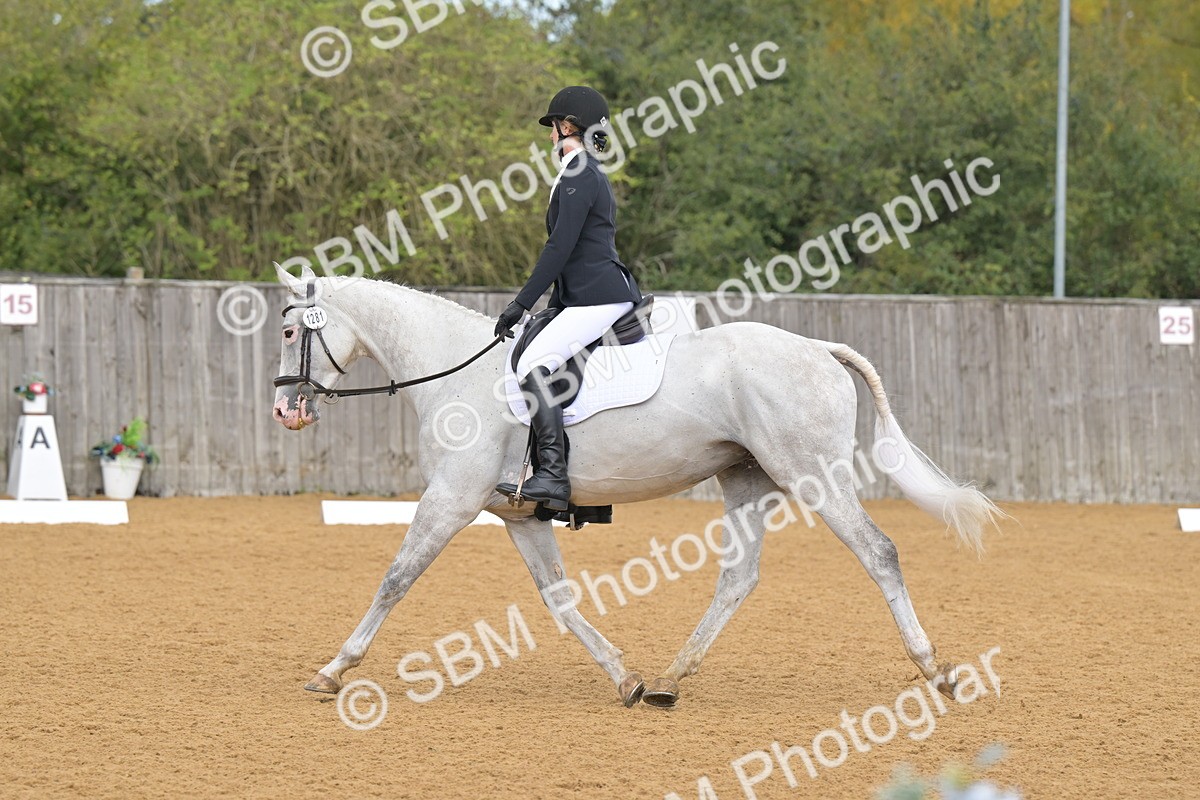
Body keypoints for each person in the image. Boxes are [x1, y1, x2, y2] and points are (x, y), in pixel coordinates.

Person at [493, 86, 642, 511]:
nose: (549, 135)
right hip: (586, 296)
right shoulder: (581, 172)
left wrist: (522, 303)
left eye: (553, 127)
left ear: (568, 127)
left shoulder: (580, 174)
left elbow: (560, 247)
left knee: (532, 364)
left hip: (599, 296)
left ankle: (555, 476)